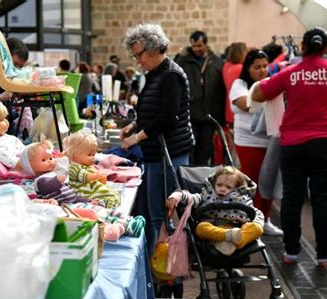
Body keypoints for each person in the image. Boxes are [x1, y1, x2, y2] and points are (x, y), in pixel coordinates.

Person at [252, 27, 327, 266]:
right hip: (325, 141)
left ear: (302, 47)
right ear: (324, 48)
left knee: (292, 197)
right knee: (322, 199)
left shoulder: (290, 73)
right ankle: (324, 254)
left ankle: (291, 252)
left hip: (292, 143)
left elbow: (261, 94)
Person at [120, 22, 194, 253]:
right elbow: (152, 110)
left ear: (152, 48)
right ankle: (159, 266)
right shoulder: (156, 74)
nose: (137, 61)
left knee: (159, 216)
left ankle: (164, 271)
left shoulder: (171, 75)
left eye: (138, 55)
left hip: (169, 154)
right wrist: (134, 125)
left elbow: (168, 117)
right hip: (158, 153)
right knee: (155, 213)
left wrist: (137, 138)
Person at [229, 49, 283, 236]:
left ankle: (265, 220)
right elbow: (246, 104)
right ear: (248, 68)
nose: (262, 71)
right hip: (248, 141)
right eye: (257, 67)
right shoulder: (240, 84)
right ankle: (248, 220)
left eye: (265, 66)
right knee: (251, 182)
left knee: (268, 182)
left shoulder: (271, 82)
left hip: (271, 140)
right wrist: (268, 94)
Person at [166, 166, 264, 255]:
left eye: (228, 187)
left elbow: (257, 214)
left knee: (257, 228)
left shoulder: (242, 199)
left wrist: (256, 223)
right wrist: (177, 195)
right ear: (214, 184)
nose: (222, 189)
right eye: (219, 185)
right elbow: (191, 197)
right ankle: (228, 237)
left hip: (236, 228)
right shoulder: (207, 195)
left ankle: (232, 243)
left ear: (236, 188)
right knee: (201, 227)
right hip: (214, 229)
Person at [174, 30, 226, 166]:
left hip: (210, 114)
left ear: (206, 44)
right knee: (189, 147)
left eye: (199, 45)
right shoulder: (182, 61)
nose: (197, 49)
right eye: (194, 46)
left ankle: (201, 178)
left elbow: (222, 89)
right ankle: (189, 178)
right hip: (190, 113)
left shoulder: (217, 62)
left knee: (206, 149)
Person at [63, 132, 121, 209]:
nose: (93, 157)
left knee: (115, 193)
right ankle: (105, 210)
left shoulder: (86, 166)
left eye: (93, 154)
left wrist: (101, 179)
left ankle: (103, 204)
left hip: (93, 190)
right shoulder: (74, 167)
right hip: (86, 193)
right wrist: (97, 175)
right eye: (89, 155)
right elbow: (85, 177)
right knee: (112, 197)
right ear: (75, 154)